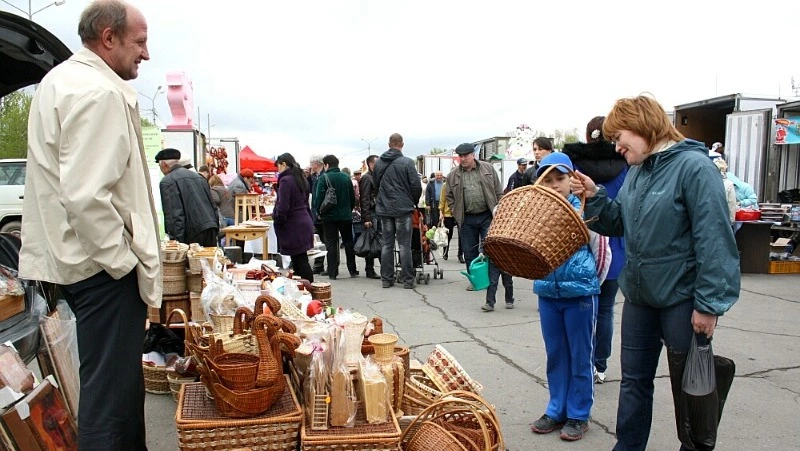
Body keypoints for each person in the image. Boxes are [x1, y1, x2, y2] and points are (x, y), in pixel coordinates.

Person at [19, 1, 160, 448]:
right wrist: (121, 262)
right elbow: (86, 196)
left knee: (115, 390)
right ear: (108, 37)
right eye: (140, 42)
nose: (146, 53)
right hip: (101, 270)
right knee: (111, 402)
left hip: (81, 264)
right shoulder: (99, 93)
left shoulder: (60, 81)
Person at [570, 94, 740, 451]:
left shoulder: (695, 168)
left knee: (692, 387)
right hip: (640, 297)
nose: (616, 147)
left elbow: (714, 240)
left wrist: (709, 305)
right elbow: (620, 223)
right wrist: (595, 195)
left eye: (619, 138)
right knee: (633, 382)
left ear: (642, 126)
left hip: (682, 299)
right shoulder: (637, 171)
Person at [529, 152, 600, 441]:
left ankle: (579, 414)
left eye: (560, 178)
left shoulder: (585, 210)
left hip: (580, 294)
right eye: (548, 181)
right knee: (556, 354)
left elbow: (602, 248)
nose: (555, 185)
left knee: (581, 356)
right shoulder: (533, 213)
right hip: (547, 292)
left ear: (572, 180)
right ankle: (556, 409)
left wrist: (590, 281)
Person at [563, 116, 629, 384]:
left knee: (580, 309)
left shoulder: (575, 164)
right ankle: (600, 364)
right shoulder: (626, 164)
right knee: (606, 310)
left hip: (583, 244)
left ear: (587, 135)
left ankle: (581, 363)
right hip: (616, 246)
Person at [444, 143, 512, 310]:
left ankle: (490, 280)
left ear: (472, 155)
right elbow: (449, 197)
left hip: (487, 215)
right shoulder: (453, 175)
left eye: (466, 155)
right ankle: (475, 279)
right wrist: (455, 210)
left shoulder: (487, 168)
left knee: (490, 249)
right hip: (467, 218)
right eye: (460, 156)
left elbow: (498, 191)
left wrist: (499, 210)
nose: (463, 159)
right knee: (469, 251)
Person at [374, 133, 422, 289]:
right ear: (402, 144)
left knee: (387, 245)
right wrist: (413, 201)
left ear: (389, 144)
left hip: (385, 209)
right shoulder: (407, 162)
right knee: (404, 245)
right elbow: (416, 186)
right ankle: (408, 280)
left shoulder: (379, 163)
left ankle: (386, 279)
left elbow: (376, 185)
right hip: (403, 209)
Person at [156, 148, 219, 246]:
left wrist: (176, 243)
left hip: (191, 233)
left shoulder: (168, 181)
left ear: (163, 164)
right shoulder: (199, 177)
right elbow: (213, 206)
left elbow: (174, 215)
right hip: (210, 229)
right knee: (209, 256)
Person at [313, 154, 357, 280]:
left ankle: (332, 272)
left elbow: (318, 198)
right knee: (348, 242)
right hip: (345, 216)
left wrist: (318, 211)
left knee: (331, 243)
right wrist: (349, 210)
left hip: (329, 216)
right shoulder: (346, 177)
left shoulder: (324, 178)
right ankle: (352, 269)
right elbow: (352, 197)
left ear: (326, 165)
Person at [273, 153, 315, 282]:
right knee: (299, 259)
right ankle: (304, 288)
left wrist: (277, 219)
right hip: (304, 220)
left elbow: (283, 206)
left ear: (284, 164)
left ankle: (310, 288)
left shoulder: (286, 180)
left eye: (278, 166)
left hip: (293, 224)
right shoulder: (300, 178)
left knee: (300, 260)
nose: (278, 170)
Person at [358, 156, 381, 279]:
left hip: (378, 212)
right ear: (371, 164)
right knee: (371, 241)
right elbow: (364, 198)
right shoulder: (367, 178)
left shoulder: (376, 176)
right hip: (372, 213)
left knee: (378, 241)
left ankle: (383, 269)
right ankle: (370, 269)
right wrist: (366, 218)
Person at [308, 155, 327, 274]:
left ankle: (322, 265)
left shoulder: (324, 176)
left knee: (324, 240)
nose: (310, 166)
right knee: (319, 240)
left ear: (316, 164)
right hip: (316, 213)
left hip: (322, 213)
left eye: (311, 164)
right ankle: (318, 265)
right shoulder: (315, 176)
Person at [438, 180, 463, 262]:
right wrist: (441, 212)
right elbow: (442, 199)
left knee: (462, 234)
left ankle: (460, 254)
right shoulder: (445, 185)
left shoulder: (461, 183)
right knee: (448, 234)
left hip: (460, 212)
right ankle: (445, 251)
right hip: (448, 213)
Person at [712, 157, 737, 224]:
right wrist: (731, 221)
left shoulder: (707, 182)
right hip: (723, 220)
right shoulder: (729, 184)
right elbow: (731, 205)